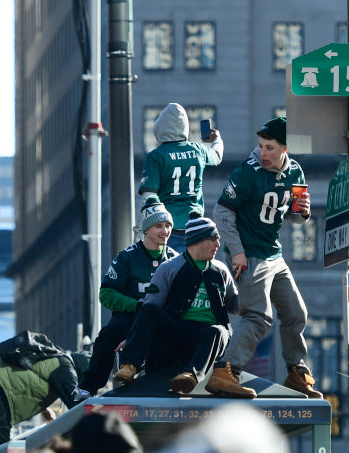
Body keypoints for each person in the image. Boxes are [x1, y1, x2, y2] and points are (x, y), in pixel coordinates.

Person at [210, 115, 323, 399]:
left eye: (270, 147)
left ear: (284, 148)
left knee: (296, 312)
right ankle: (226, 370)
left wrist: (303, 212)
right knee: (259, 316)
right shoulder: (246, 172)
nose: (263, 153)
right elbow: (222, 214)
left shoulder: (296, 172)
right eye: (260, 146)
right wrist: (236, 252)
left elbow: (296, 219)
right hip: (250, 254)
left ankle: (296, 372)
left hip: (274, 253)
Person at [113, 217, 240, 397]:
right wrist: (133, 337)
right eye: (213, 239)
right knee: (149, 309)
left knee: (219, 331)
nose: (218, 244)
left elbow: (235, 307)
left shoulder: (221, 270)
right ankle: (129, 366)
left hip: (207, 339)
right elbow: (151, 307)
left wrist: (250, 288)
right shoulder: (169, 268)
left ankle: (190, 376)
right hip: (175, 333)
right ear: (197, 240)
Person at [77, 197, 177, 396]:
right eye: (158, 226)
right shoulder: (127, 257)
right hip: (130, 316)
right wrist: (137, 305)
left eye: (167, 226)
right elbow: (106, 294)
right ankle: (87, 388)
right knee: (109, 334)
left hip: (161, 318)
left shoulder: (175, 259)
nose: (164, 231)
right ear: (146, 229)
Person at [139, 102, 224, 253]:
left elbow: (149, 196)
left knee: (169, 274)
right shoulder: (197, 150)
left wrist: (142, 230)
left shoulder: (156, 156)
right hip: (196, 229)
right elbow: (217, 156)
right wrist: (217, 139)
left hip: (167, 231)